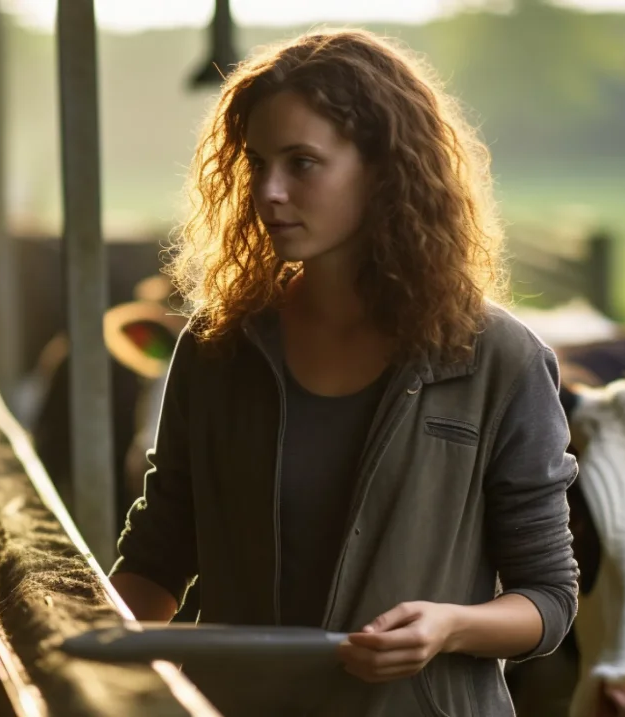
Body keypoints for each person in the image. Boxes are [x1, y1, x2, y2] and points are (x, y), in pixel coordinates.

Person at [108, 28, 579, 716]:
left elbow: (550, 598)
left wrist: (449, 627)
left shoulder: (501, 360)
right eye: (257, 162)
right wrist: (78, 655)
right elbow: (157, 556)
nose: (269, 191)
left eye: (302, 163)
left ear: (386, 168)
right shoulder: (218, 348)